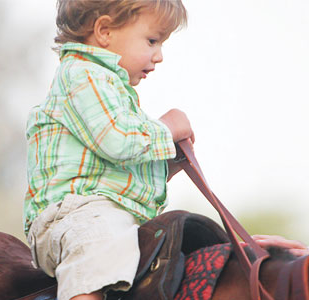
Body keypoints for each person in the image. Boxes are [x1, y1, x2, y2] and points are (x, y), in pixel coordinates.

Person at [23, 1, 308, 300]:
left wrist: (169, 162)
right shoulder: (83, 75)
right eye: (152, 41)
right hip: (74, 215)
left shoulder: (112, 90)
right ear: (104, 31)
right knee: (98, 249)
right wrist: (167, 127)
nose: (158, 56)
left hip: (108, 212)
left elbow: (122, 166)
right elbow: (118, 141)